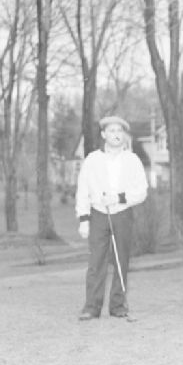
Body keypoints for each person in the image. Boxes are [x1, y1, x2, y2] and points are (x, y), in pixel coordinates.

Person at [75, 115, 149, 322]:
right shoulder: (92, 160)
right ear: (103, 134)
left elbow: (141, 191)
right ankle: (92, 307)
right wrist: (83, 219)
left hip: (122, 214)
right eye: (112, 131)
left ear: (124, 135)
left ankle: (118, 306)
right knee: (96, 262)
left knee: (121, 260)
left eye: (119, 131)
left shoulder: (132, 160)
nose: (116, 135)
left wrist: (119, 197)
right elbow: (83, 190)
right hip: (98, 214)